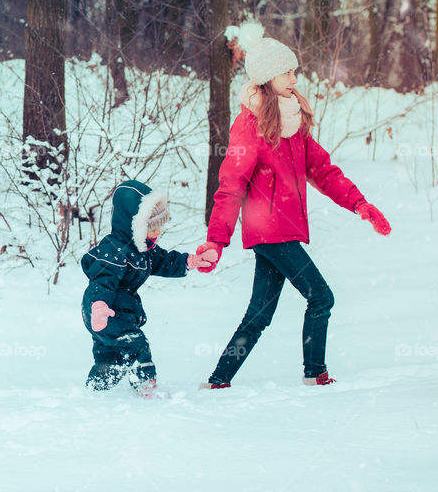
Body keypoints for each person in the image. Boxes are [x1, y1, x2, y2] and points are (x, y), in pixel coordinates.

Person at [197, 22, 392, 389]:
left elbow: (323, 170)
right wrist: (215, 240)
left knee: (259, 314)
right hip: (270, 230)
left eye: (294, 70)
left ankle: (218, 380)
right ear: (268, 77)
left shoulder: (294, 120)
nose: (294, 78)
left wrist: (359, 204)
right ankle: (314, 373)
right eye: (287, 72)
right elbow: (231, 184)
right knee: (321, 296)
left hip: (281, 231)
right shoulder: (249, 125)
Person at [81, 180, 218, 398]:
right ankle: (145, 385)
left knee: (111, 356)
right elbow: (102, 281)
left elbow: (165, 261)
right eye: (152, 227)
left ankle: (96, 390)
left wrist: (192, 261)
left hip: (118, 312)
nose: (158, 232)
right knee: (136, 344)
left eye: (159, 226)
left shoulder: (144, 249)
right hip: (104, 309)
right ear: (134, 224)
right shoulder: (113, 250)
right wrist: (100, 306)